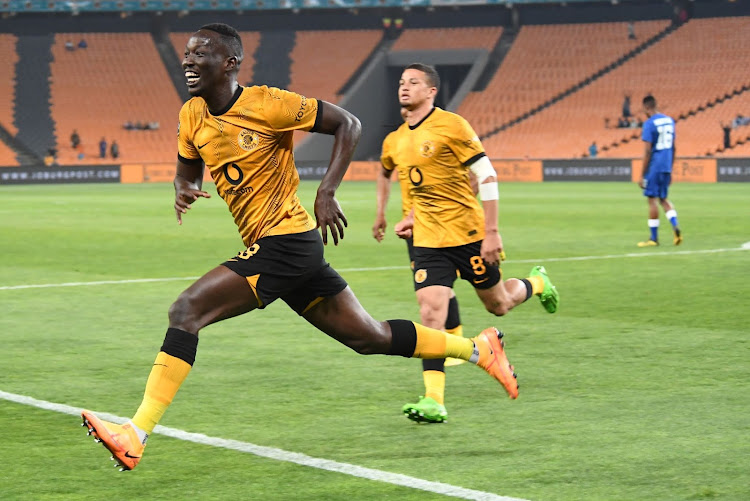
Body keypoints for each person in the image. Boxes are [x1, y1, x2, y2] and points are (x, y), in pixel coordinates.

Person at [81, 23, 519, 472]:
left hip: (286, 242)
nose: (188, 61)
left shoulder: (268, 103)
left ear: (230, 63)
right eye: (187, 54)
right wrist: (184, 188)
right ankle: (479, 349)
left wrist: (327, 190)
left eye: (200, 53)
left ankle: (135, 434)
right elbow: (187, 169)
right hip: (285, 249)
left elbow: (349, 123)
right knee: (368, 336)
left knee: (187, 311)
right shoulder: (191, 115)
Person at [373, 63, 559, 424]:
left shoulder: (452, 125)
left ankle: (537, 283)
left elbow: (486, 175)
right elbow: (417, 185)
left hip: (469, 236)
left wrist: (492, 232)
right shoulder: (396, 138)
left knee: (499, 305)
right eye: (401, 82)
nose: (404, 87)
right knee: (430, 314)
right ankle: (434, 400)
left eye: (413, 83)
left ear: (431, 92)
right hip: (427, 241)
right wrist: (403, 216)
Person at [637, 95, 681, 247]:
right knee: (663, 199)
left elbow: (648, 151)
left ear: (646, 108)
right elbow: (674, 147)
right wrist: (670, 168)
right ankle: (675, 225)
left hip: (655, 165)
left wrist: (642, 175)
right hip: (666, 165)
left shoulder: (649, 124)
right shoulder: (670, 121)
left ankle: (653, 238)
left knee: (652, 200)